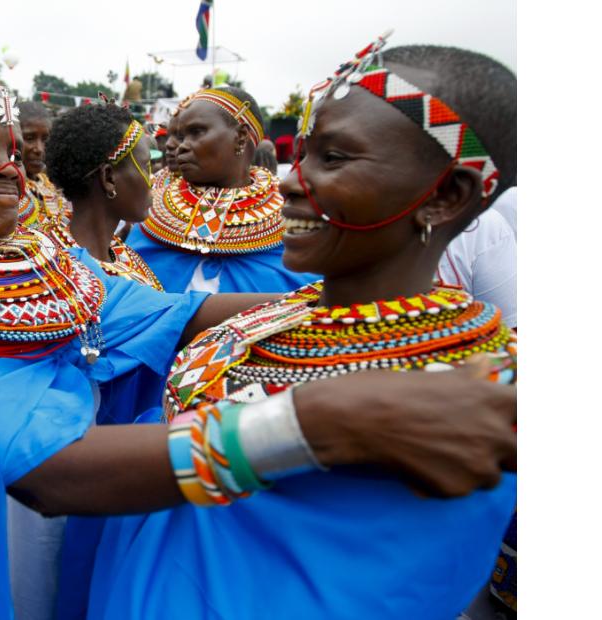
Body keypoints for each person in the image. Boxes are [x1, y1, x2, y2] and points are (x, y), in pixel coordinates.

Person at [0, 68, 515, 619]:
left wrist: (369, 315)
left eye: (12, 151)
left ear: (446, 197)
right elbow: (50, 471)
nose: (11, 170)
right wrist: (319, 423)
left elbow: (173, 313)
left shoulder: (52, 273)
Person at [83, 35, 517, 620]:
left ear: (446, 196)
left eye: (333, 159)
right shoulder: (271, 318)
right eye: (305, 154)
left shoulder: (480, 391)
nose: (289, 180)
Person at [127, 86, 315, 295]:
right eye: (182, 136)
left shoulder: (296, 223)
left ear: (241, 136)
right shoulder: (151, 214)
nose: (182, 146)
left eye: (196, 132)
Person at [44, 103, 163, 290]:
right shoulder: (58, 272)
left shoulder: (124, 256)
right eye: (145, 166)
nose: (152, 181)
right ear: (109, 178)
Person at [19, 101, 72, 229]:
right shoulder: (9, 188)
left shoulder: (49, 184)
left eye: (45, 139)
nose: (39, 149)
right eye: (29, 138)